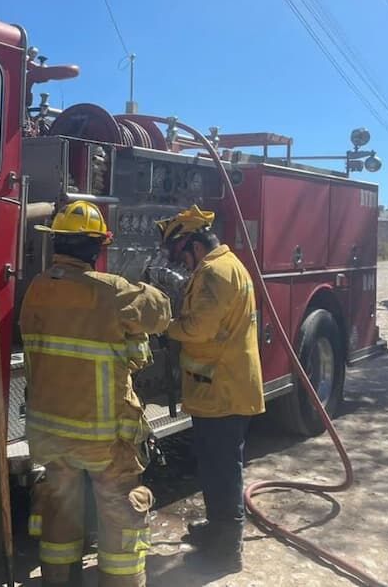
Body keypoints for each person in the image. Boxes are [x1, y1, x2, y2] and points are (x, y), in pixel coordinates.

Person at [20, 200, 172, 587]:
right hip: (104, 438)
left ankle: (57, 580)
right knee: (121, 515)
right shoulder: (112, 291)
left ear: (57, 244)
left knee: (59, 509)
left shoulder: (36, 290)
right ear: (97, 248)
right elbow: (161, 311)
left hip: (49, 433)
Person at [156, 204, 264, 573]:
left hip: (223, 389)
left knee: (222, 468)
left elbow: (198, 329)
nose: (181, 263)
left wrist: (163, 325)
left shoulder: (215, 273)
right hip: (221, 386)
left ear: (194, 246)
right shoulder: (225, 266)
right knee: (214, 463)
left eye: (180, 254)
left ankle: (228, 549)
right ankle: (217, 527)